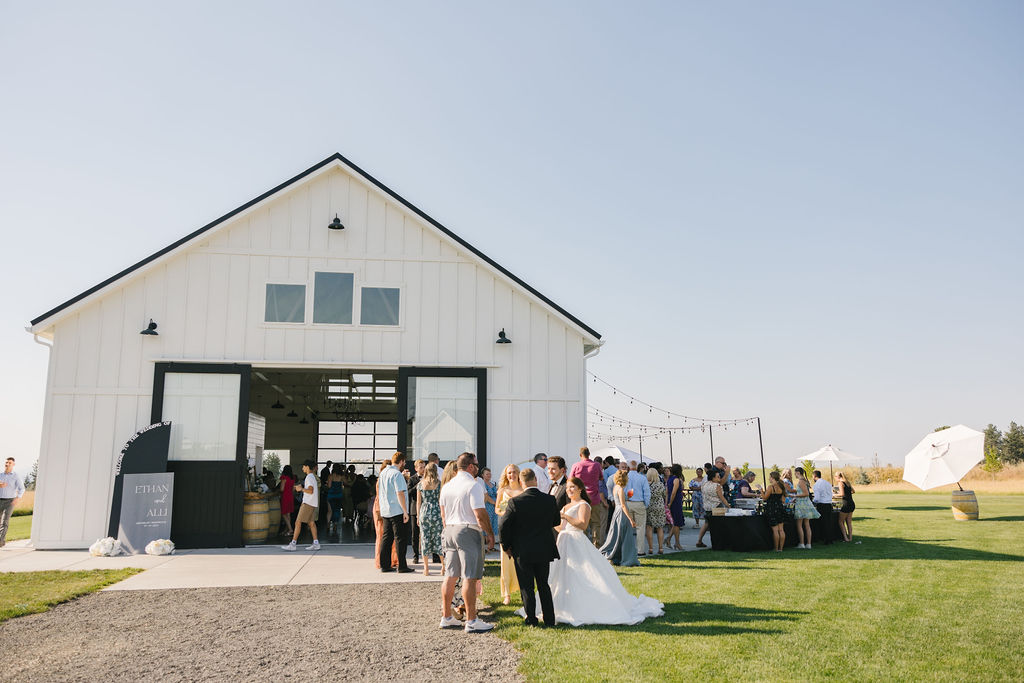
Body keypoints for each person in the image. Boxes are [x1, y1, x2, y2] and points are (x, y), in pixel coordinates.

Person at [525, 476, 663, 626]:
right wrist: (552, 522)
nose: (569, 490)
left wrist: (565, 517)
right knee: (559, 574)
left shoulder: (583, 505)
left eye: (573, 487)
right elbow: (560, 528)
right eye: (568, 488)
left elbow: (583, 525)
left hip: (576, 541)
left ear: (580, 489)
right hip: (563, 541)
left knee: (581, 573)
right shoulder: (565, 506)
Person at [438, 453, 495, 633]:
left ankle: (446, 616)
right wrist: (490, 534)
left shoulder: (447, 486)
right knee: (469, 576)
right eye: (477, 464)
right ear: (470, 466)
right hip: (468, 529)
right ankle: (471, 620)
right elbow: (479, 513)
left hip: (450, 529)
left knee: (451, 574)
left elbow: (443, 514)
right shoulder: (473, 485)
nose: (478, 468)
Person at [500, 467, 560, 627]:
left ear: (521, 482)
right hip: (543, 547)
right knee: (543, 585)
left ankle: (531, 619)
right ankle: (549, 619)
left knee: (526, 586)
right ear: (535, 480)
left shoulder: (515, 502)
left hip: (522, 550)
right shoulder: (549, 500)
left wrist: (506, 545)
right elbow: (556, 522)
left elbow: (503, 525)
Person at [377, 452, 412, 573]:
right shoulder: (397, 474)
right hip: (397, 510)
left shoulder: (383, 473)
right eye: (404, 462)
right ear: (401, 461)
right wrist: (405, 511)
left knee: (386, 538)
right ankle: (402, 566)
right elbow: (400, 493)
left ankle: (384, 565)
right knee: (400, 538)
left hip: (386, 509)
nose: (404, 464)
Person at [495, 463, 523, 605]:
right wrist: (506, 514)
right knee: (506, 562)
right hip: (507, 529)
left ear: (518, 474)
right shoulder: (503, 490)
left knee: (521, 561)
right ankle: (507, 594)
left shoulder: (523, 490)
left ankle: (523, 589)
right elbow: (497, 510)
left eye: (514, 472)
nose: (511, 475)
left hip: (521, 529)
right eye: (509, 473)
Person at [599, 469, 639, 566]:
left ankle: (616, 556)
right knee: (625, 536)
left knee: (617, 535)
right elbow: (623, 505)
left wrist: (628, 495)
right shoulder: (620, 489)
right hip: (622, 513)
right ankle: (627, 558)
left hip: (617, 512)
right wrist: (631, 519)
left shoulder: (616, 487)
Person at [569, 447, 606, 545]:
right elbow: (601, 478)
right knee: (596, 523)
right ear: (589, 454)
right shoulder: (597, 465)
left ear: (580, 455)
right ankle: (596, 546)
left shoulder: (576, 465)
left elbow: (570, 480)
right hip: (594, 498)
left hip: (581, 499)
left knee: (582, 524)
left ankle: (583, 546)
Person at [281, 459, 320, 551]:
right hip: (312, 503)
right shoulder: (312, 477)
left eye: (303, 466)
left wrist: (301, 489)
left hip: (307, 503)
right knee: (311, 523)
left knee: (298, 522)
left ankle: (293, 544)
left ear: (307, 467)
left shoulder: (309, 477)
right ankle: (316, 543)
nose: (302, 468)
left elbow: (310, 491)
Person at [417, 459, 442, 576]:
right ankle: (443, 567)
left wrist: (418, 516)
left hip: (424, 511)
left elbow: (418, 502)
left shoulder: (421, 484)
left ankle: (426, 568)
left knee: (425, 540)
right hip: (436, 512)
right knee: (438, 539)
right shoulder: (439, 484)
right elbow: (441, 500)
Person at [372, 462, 399, 569]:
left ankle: (391, 560)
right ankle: (381, 561)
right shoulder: (381, 480)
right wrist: (379, 512)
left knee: (387, 536)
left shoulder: (382, 479)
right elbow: (379, 497)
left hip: (383, 507)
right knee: (382, 536)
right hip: (380, 508)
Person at [696, 468, 729, 548]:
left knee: (707, 523)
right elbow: (722, 498)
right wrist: (728, 505)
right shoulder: (717, 486)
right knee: (719, 525)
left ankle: (699, 540)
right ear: (713, 478)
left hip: (707, 507)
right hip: (717, 506)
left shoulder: (704, 484)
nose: (719, 478)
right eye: (718, 477)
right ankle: (719, 542)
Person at [626, 460, 651, 554]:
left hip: (628, 502)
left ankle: (628, 549)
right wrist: (646, 504)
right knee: (640, 528)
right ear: (637, 467)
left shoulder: (625, 477)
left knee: (628, 528)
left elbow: (625, 492)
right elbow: (647, 493)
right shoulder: (642, 478)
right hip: (639, 503)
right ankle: (640, 550)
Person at [791, 467, 820, 548]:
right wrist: (795, 498)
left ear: (798, 473)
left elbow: (806, 493)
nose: (794, 475)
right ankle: (808, 544)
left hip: (802, 505)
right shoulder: (805, 481)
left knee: (800, 525)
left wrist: (794, 495)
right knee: (807, 525)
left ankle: (802, 543)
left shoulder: (801, 481)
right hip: (806, 504)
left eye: (795, 473)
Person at [0, 457, 25, 547]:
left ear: (13, 464)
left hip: (10, 501)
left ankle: (1, 541)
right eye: (6, 462)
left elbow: (22, 488)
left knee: (4, 521)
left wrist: (18, 498)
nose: (7, 464)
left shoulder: (16, 476)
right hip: (0, 500)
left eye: (9, 463)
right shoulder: (1, 475)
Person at [762, 471, 787, 552]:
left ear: (772, 478)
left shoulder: (770, 487)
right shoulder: (781, 486)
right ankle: (781, 549)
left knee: (775, 530)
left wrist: (761, 490)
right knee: (781, 530)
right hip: (780, 508)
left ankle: (776, 549)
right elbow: (783, 500)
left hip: (772, 509)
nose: (769, 478)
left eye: (769, 477)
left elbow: (764, 498)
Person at [645, 468, 667, 555]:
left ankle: (650, 548)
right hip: (660, 507)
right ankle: (660, 548)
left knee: (649, 527)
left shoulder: (646, 485)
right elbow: (664, 495)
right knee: (660, 527)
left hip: (649, 507)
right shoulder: (660, 484)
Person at [812, 470, 834, 545]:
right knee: (829, 522)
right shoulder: (827, 483)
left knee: (823, 523)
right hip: (829, 504)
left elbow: (817, 498)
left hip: (822, 504)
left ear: (814, 476)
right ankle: (830, 538)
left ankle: (825, 539)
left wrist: (813, 502)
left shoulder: (816, 485)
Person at [665, 464, 684, 550]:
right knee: (677, 524)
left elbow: (667, 492)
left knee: (675, 523)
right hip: (675, 503)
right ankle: (677, 543)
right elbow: (673, 492)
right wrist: (670, 503)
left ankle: (668, 539)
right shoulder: (676, 480)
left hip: (671, 502)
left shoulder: (669, 479)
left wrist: (667, 502)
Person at [408, 460, 423, 563]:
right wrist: (418, 485)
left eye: (424, 467)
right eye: (421, 467)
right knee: (415, 533)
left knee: (428, 532)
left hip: (425, 508)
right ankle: (415, 555)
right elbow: (408, 492)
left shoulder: (428, 477)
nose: (423, 469)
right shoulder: (412, 479)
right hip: (414, 508)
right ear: (416, 468)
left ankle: (435, 555)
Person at [835, 472, 856, 542]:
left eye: (835, 476)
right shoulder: (847, 482)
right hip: (851, 503)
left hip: (846, 504)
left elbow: (842, 494)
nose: (835, 478)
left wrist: (834, 495)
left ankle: (845, 538)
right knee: (849, 523)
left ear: (838, 477)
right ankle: (850, 538)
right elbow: (853, 491)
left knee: (840, 522)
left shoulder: (840, 483)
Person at [326, 463, 345, 537]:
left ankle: (328, 524)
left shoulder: (330, 476)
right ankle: (335, 525)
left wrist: (327, 484)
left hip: (331, 495)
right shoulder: (342, 476)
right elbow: (346, 483)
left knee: (329, 511)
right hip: (338, 495)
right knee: (337, 510)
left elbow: (329, 486)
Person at [277, 464, 295, 537]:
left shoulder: (284, 478)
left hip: (285, 496)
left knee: (284, 513)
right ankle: (286, 530)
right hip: (290, 496)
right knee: (288, 514)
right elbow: (293, 489)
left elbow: (282, 489)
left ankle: (290, 530)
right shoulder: (292, 478)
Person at [482, 467, 498, 544]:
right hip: (488, 506)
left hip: (495, 508)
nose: (489, 475)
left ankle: (492, 544)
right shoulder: (483, 484)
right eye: (487, 474)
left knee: (493, 524)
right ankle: (486, 544)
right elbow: (486, 497)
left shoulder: (493, 484)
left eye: (489, 474)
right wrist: (495, 503)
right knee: (487, 524)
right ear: (483, 475)